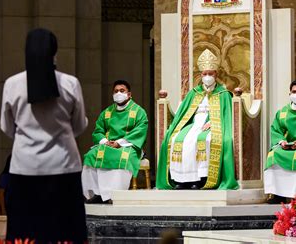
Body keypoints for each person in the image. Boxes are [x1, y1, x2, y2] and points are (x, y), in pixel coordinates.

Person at [0, 28, 88, 242]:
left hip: (24, 168)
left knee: (26, 230)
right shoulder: (69, 83)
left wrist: (27, 140)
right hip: (64, 166)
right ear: (54, 51)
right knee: (64, 230)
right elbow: (79, 125)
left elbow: (6, 127)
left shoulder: (12, 84)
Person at [156, 49, 238, 190]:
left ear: (216, 74)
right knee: (178, 139)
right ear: (201, 75)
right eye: (205, 74)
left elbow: (227, 114)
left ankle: (201, 179)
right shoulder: (194, 92)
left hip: (213, 124)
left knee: (205, 139)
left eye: (210, 74)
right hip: (193, 123)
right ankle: (182, 180)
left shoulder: (223, 93)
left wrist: (213, 122)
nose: (207, 77)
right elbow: (184, 112)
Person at [82, 80, 148, 203]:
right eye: (116, 91)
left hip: (128, 145)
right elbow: (98, 131)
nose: (118, 93)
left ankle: (114, 195)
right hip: (107, 144)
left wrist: (119, 143)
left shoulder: (139, 112)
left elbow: (140, 131)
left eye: (122, 91)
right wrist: (105, 141)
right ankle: (97, 194)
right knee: (91, 155)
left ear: (129, 94)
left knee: (121, 157)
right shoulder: (107, 112)